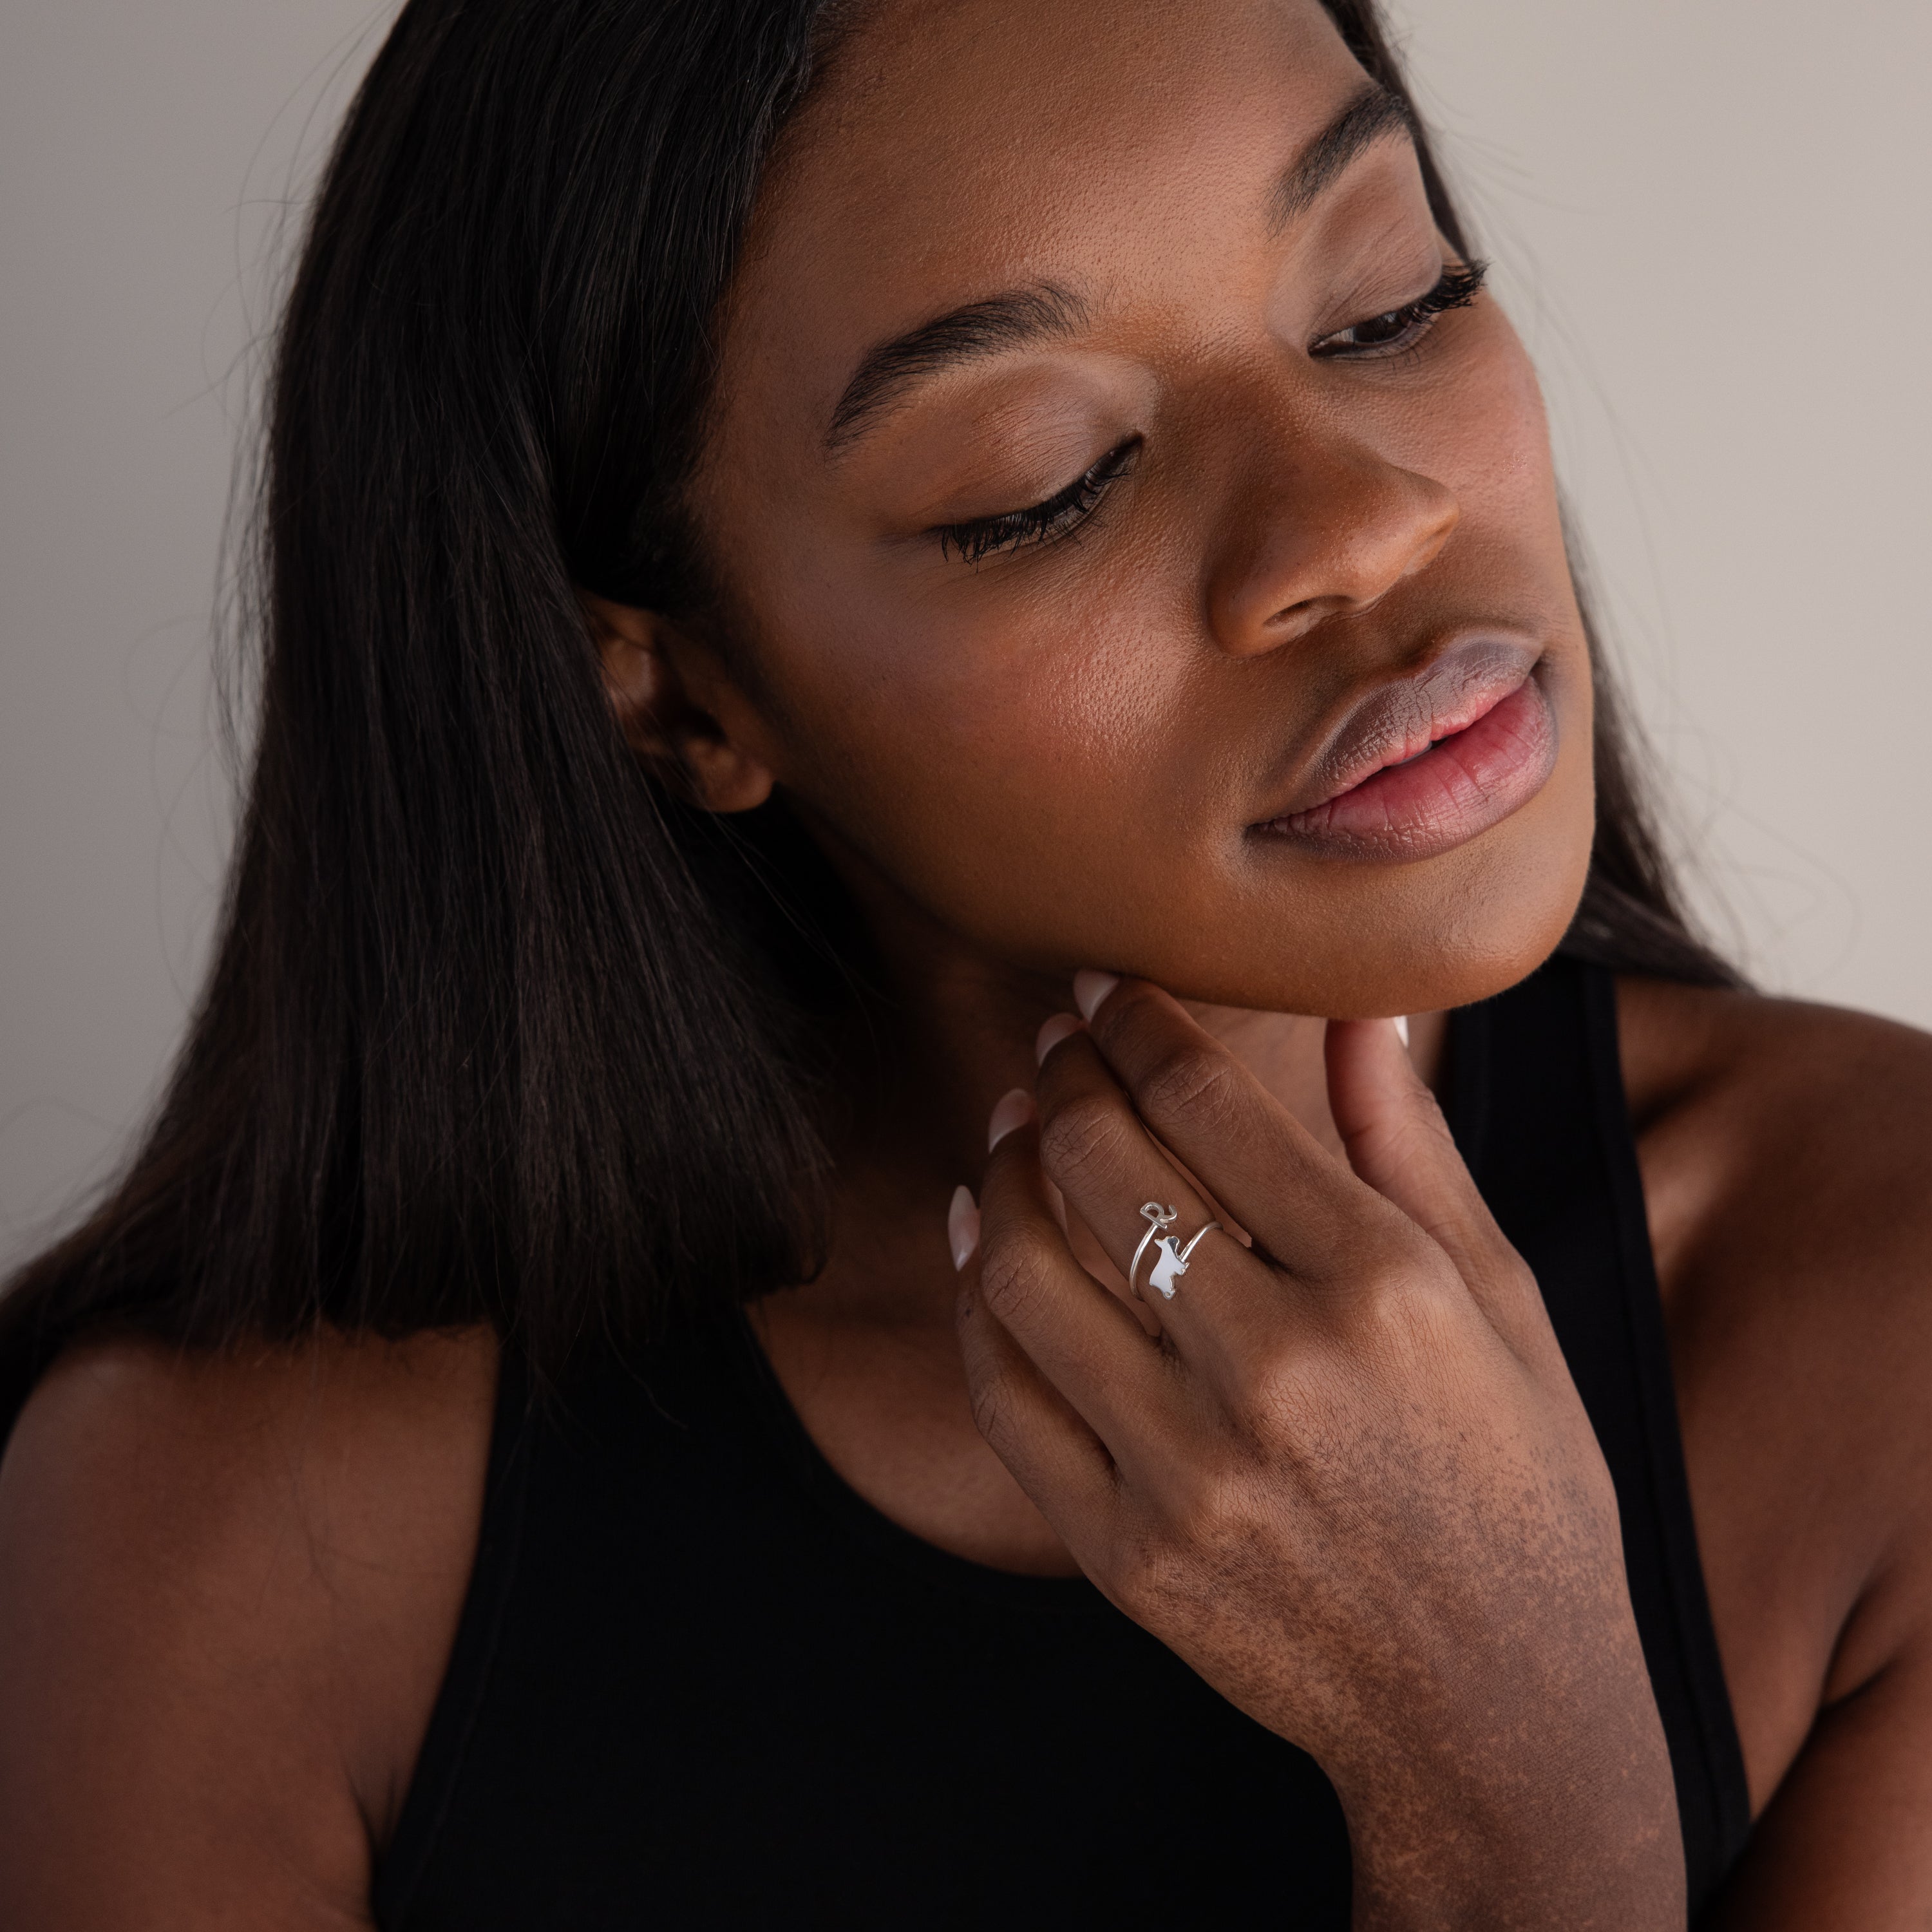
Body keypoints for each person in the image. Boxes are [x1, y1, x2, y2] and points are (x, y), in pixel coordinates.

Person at [1, 0, 1928, 1923]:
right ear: (677, 694)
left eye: (1383, 303)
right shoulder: (233, 1549)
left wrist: (1529, 1769)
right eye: (1049, 479)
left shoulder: (1883, 1320)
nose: (1362, 519)